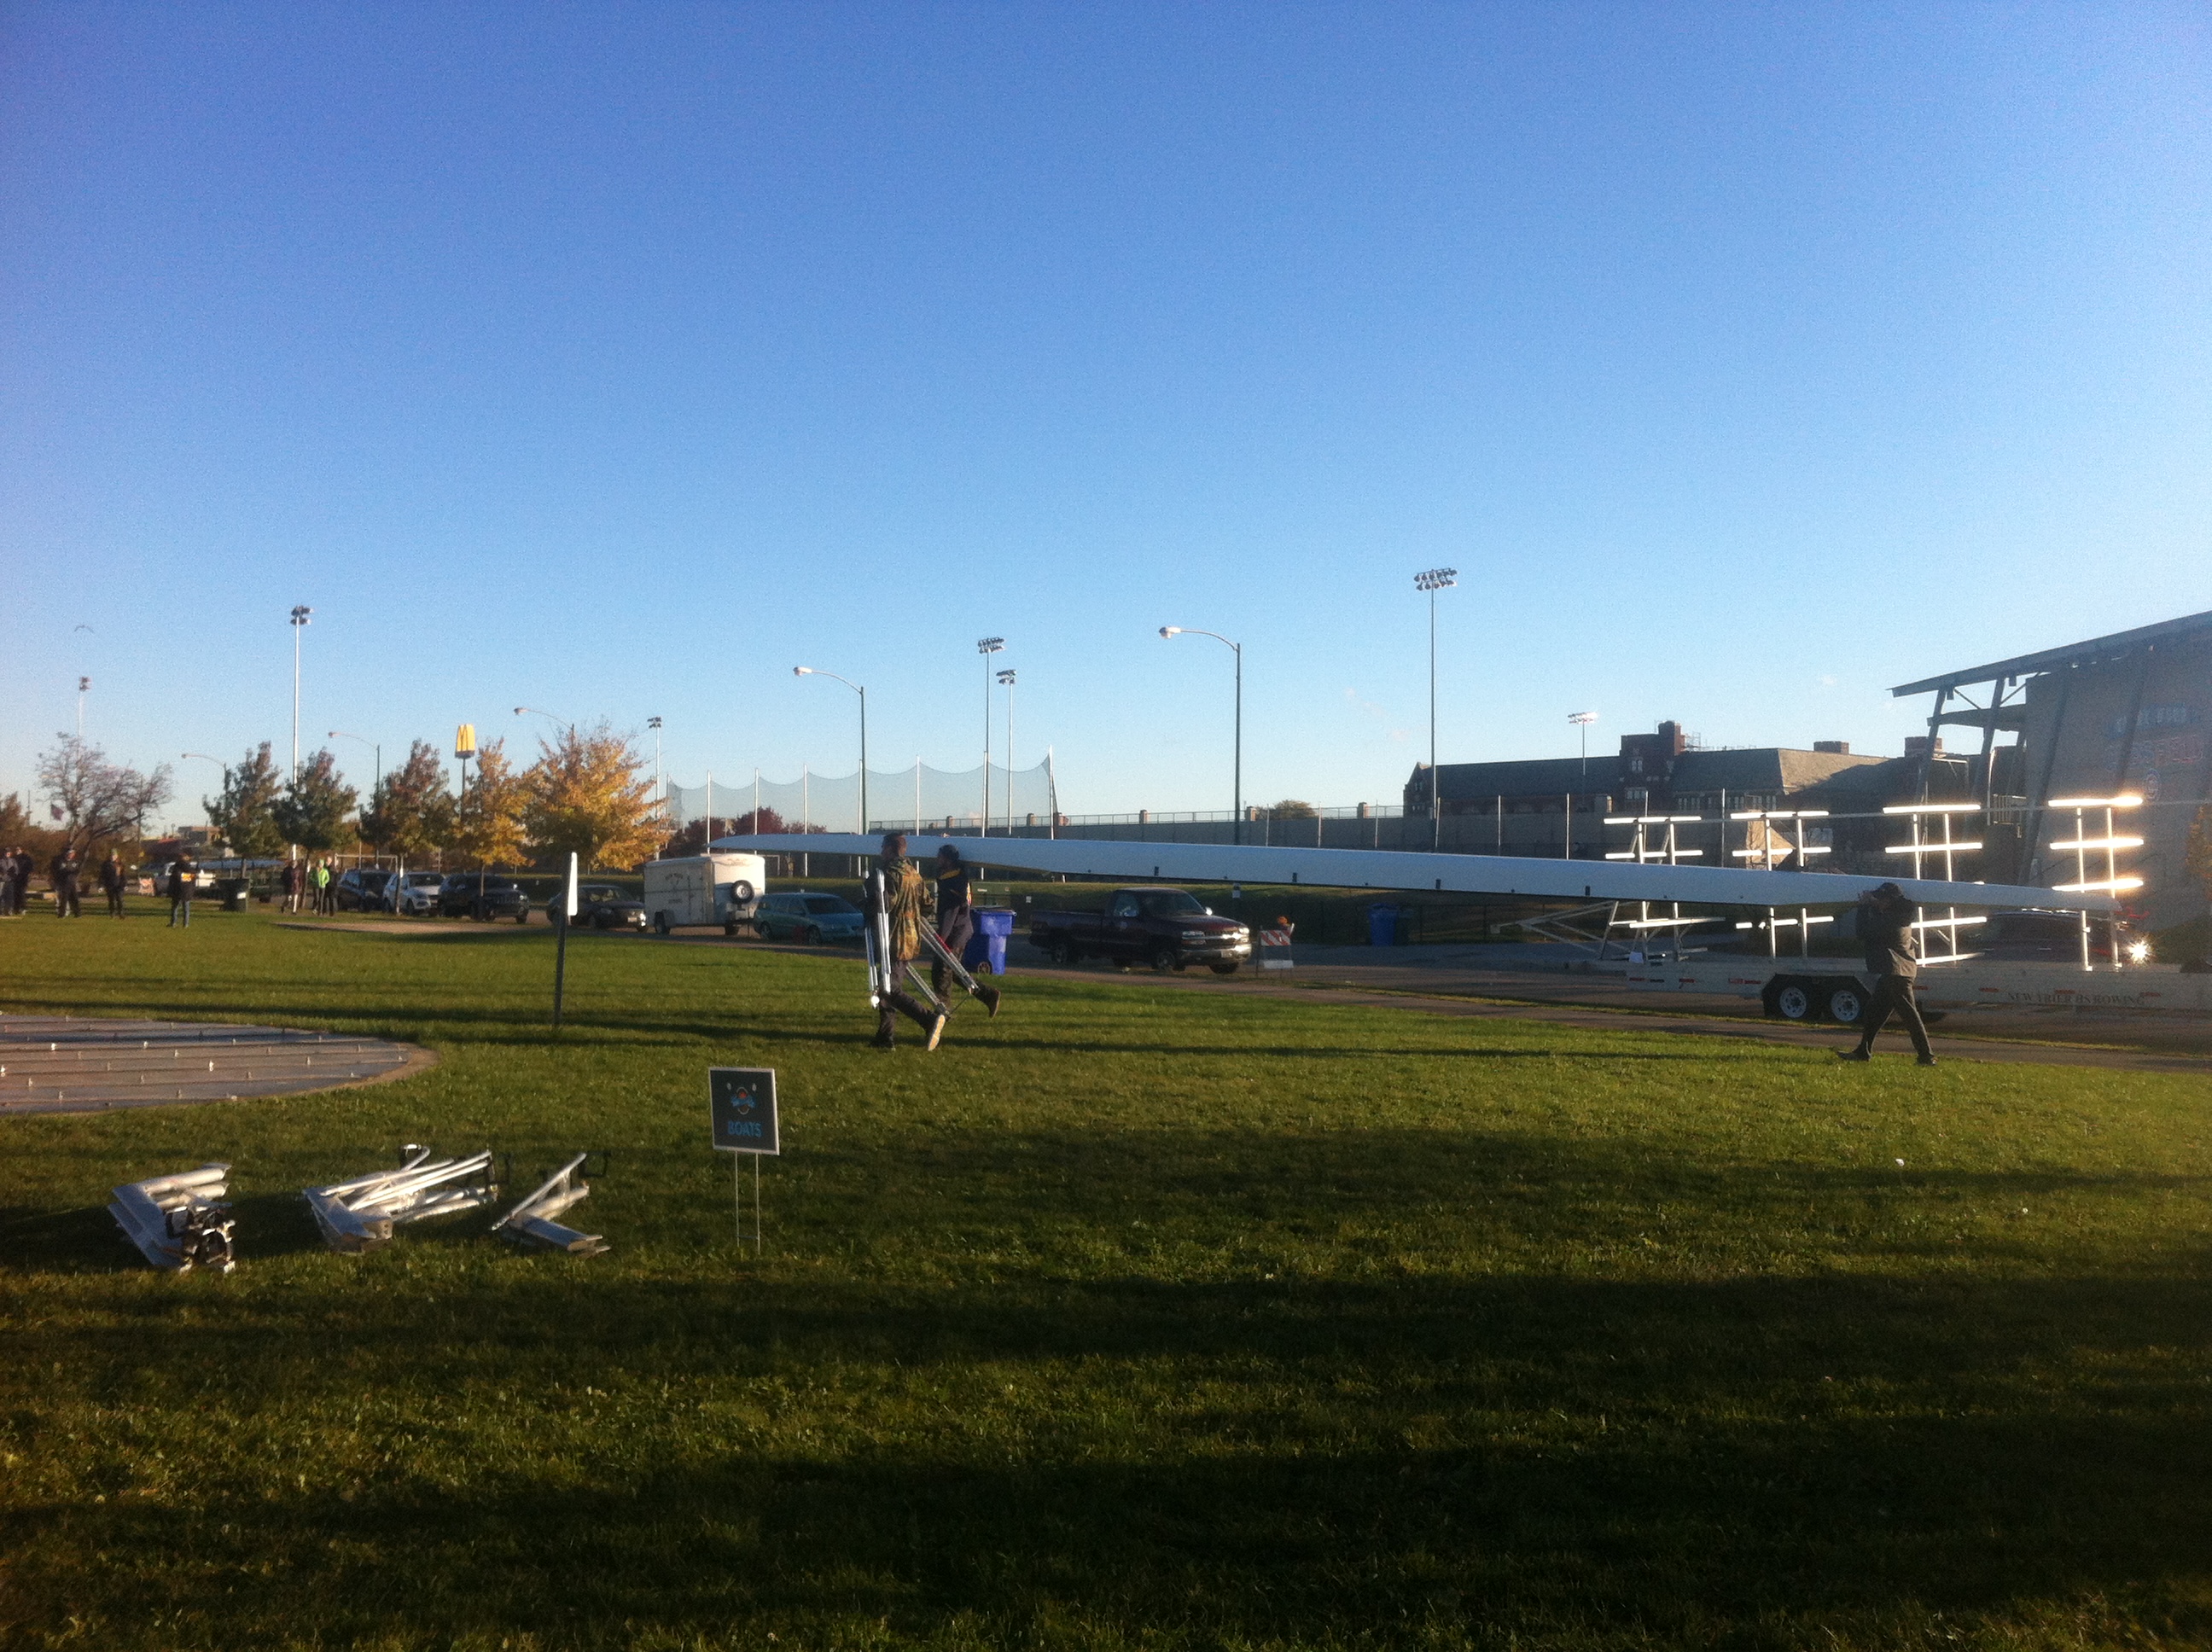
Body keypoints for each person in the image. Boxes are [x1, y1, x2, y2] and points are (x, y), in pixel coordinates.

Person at [862, 832, 947, 1050]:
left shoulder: (889, 874)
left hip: (893, 939)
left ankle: (928, 1019)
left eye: (883, 847)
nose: (881, 851)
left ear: (891, 849)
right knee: (887, 987)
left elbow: (885, 905)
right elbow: (928, 905)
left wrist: (869, 897)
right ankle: (885, 1037)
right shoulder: (914, 874)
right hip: (911, 938)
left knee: (889, 989)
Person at [1839, 881, 1935, 1065]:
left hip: (1895, 972)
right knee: (1874, 1012)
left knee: (1909, 1015)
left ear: (1891, 900)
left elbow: (1863, 932)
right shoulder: (1900, 916)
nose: (1878, 901)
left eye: (1881, 898)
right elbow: (1879, 921)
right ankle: (1863, 1051)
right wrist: (1874, 906)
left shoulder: (1893, 920)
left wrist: (1863, 907)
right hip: (1896, 971)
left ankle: (1927, 1056)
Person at [932, 845, 1003, 1015]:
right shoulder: (957, 877)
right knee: (956, 972)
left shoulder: (952, 882)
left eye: (940, 857)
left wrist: (941, 939)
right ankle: (988, 995)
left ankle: (942, 1012)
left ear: (948, 860)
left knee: (941, 972)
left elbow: (950, 912)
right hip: (960, 930)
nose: (937, 859)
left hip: (955, 933)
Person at [49, 848, 82, 918]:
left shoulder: (75, 862)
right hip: (64, 883)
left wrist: (74, 874)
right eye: (69, 854)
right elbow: (57, 871)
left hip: (72, 883)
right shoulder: (61, 862)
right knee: (64, 899)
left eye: (72, 854)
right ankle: (62, 914)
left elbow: (77, 871)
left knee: (75, 898)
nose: (70, 855)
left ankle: (77, 913)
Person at [168, 852, 197, 928]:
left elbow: (175, 878)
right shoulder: (190, 868)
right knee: (186, 908)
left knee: (175, 908)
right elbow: (193, 877)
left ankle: (173, 923)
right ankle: (186, 924)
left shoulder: (176, 867)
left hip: (177, 889)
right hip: (187, 890)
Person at [99, 850, 127, 918]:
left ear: (117, 856)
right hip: (109, 885)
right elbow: (102, 876)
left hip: (119, 885)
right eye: (111, 855)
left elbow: (123, 875)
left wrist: (125, 884)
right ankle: (112, 913)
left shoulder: (120, 864)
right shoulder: (106, 864)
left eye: (114, 855)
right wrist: (101, 886)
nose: (112, 857)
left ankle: (121, 913)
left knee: (119, 899)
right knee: (111, 900)